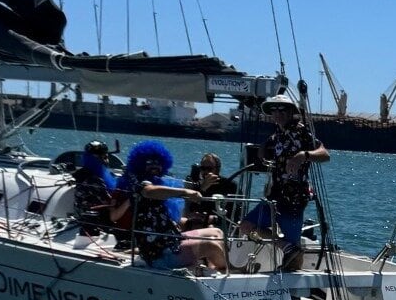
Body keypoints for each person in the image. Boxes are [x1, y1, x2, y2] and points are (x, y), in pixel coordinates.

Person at [238, 96, 329, 270]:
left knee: (294, 254)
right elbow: (265, 153)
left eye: (282, 110)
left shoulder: (301, 132)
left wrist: (304, 155)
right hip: (274, 197)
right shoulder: (276, 135)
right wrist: (263, 150)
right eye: (274, 110)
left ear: (290, 112)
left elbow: (325, 154)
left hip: (293, 200)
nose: (277, 114)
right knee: (246, 225)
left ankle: (292, 291)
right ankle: (284, 246)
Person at [113, 140, 226, 275]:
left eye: (158, 163)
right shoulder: (135, 182)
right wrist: (185, 192)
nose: (155, 167)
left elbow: (174, 187)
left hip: (171, 239)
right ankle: (227, 273)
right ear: (140, 163)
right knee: (211, 246)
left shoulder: (158, 182)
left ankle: (217, 269)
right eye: (150, 163)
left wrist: (198, 187)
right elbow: (148, 191)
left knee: (216, 233)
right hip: (158, 253)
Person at [72, 140, 118, 237]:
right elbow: (110, 202)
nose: (107, 160)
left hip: (80, 216)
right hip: (96, 221)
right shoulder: (94, 180)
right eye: (105, 157)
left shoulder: (82, 174)